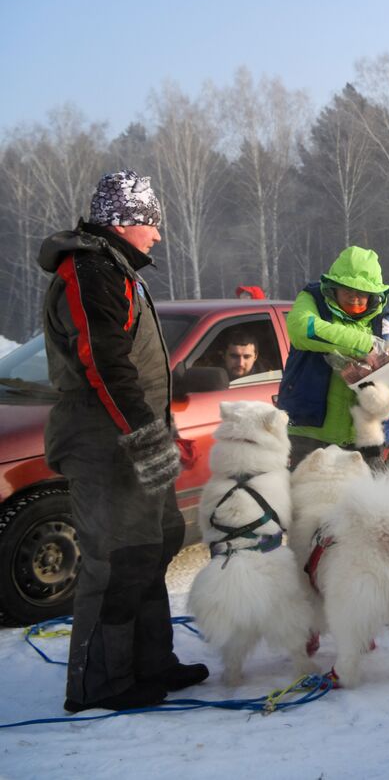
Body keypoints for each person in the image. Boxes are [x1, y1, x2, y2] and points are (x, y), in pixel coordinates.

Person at [37, 170, 207, 712]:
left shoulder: (116, 270)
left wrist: (164, 434)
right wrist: (146, 436)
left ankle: (152, 661)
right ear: (123, 222)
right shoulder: (89, 272)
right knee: (114, 559)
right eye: (151, 224)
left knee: (156, 543)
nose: (157, 235)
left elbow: (139, 366)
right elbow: (106, 366)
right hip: (106, 445)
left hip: (140, 439)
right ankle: (100, 684)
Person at [277, 246, 389, 470]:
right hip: (309, 435)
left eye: (362, 294)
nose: (355, 299)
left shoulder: (386, 319)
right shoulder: (313, 299)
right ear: (333, 288)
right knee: (309, 503)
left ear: (374, 295)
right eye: (347, 291)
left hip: (365, 441)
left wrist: (387, 401)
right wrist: (365, 345)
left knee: (369, 504)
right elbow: (302, 329)